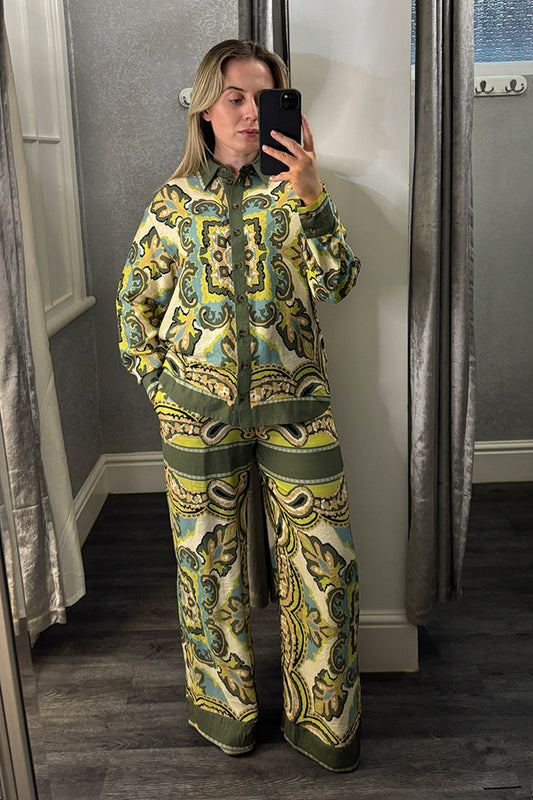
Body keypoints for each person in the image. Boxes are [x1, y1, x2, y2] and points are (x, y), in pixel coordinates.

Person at [117, 39, 361, 773]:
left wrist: (312, 198)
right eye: (235, 97)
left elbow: (340, 282)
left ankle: (325, 725)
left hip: (298, 409)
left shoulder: (297, 190)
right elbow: (134, 307)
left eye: (264, 97)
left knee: (326, 573)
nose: (252, 112)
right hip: (197, 416)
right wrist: (164, 391)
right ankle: (226, 713)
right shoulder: (172, 202)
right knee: (208, 573)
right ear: (205, 109)